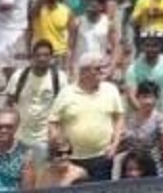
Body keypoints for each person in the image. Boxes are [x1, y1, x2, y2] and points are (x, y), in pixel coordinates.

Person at [48, 52, 125, 182]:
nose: (102, 72)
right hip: (72, 159)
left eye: (102, 68)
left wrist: (114, 145)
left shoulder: (111, 90)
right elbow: (53, 121)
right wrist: (56, 141)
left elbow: (119, 118)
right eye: (98, 69)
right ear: (84, 71)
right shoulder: (66, 93)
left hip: (101, 157)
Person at [5, 40, 69, 165]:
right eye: (38, 55)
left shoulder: (59, 78)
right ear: (32, 57)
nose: (42, 58)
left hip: (46, 139)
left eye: (46, 55)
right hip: (20, 138)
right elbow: (8, 104)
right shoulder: (19, 77)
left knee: (43, 179)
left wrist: (60, 136)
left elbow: (65, 108)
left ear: (51, 57)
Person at [120, 80, 163, 177]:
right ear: (138, 98)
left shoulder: (161, 119)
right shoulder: (130, 119)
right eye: (144, 97)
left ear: (156, 99)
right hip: (132, 166)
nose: (148, 101)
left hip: (153, 166)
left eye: (151, 97)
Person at [29, 0, 79, 74]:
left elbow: (72, 33)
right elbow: (32, 13)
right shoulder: (38, 9)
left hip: (60, 54)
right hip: (41, 54)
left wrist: (69, 53)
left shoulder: (66, 10)